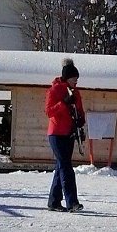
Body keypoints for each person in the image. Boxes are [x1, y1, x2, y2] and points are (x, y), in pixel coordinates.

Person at [44, 58, 85, 212]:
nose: (76, 81)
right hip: (56, 134)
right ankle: (72, 202)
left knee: (61, 166)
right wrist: (64, 103)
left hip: (69, 133)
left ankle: (53, 202)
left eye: (77, 79)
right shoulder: (54, 90)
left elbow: (79, 110)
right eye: (74, 79)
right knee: (67, 167)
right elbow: (49, 111)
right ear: (67, 78)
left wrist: (81, 120)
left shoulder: (76, 92)